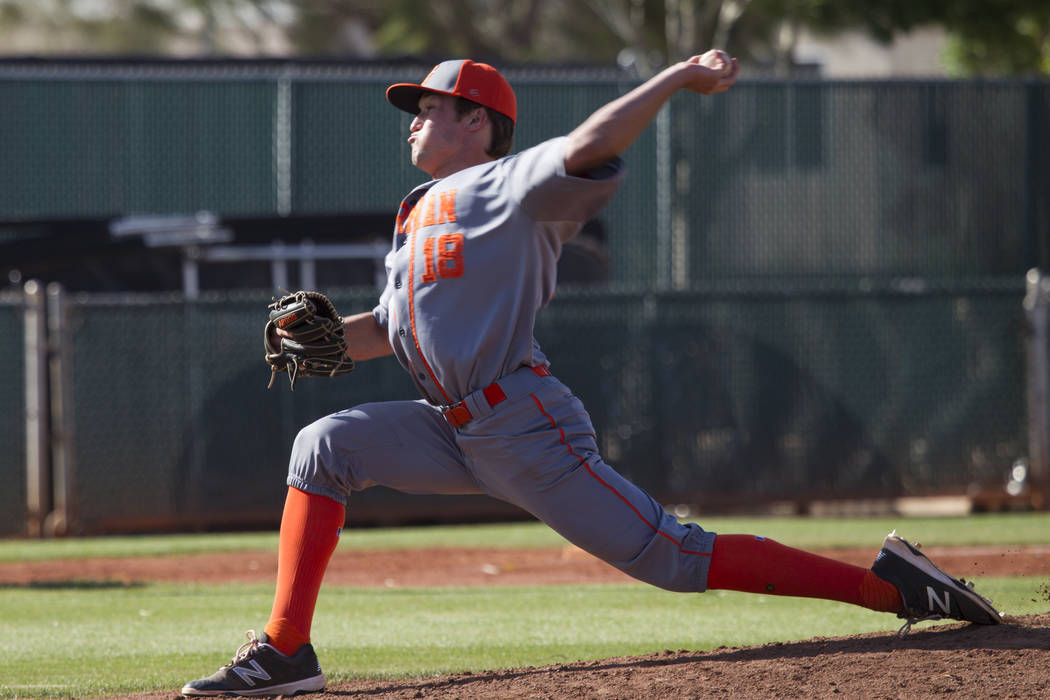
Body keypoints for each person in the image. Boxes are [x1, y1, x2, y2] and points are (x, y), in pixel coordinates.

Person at [181, 53, 1001, 697]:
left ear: (477, 122)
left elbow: (591, 143)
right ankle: (286, 652)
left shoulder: (508, 187)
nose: (415, 120)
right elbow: (393, 335)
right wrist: (328, 341)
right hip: (451, 427)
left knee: (675, 558)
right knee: (324, 446)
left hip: (526, 428)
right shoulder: (415, 215)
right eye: (417, 108)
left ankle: (896, 592)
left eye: (429, 107)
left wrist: (678, 77)